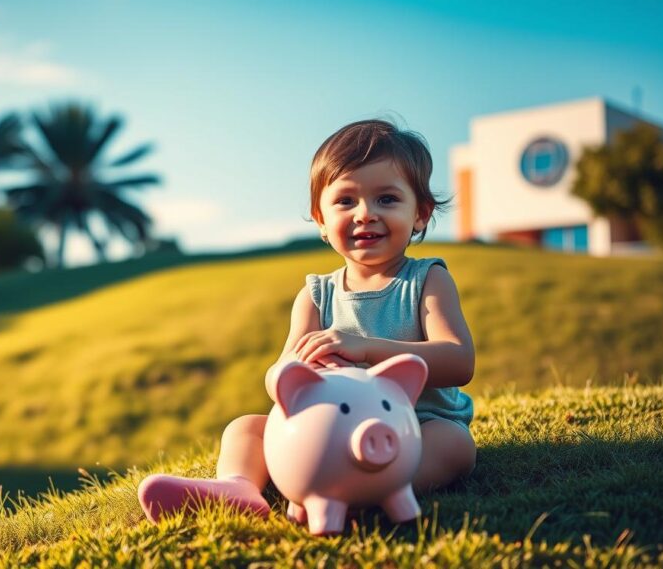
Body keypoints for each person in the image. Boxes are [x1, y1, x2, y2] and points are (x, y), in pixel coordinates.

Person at [138, 119, 476, 523]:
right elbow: (279, 374)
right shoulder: (316, 295)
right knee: (246, 428)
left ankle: (366, 488)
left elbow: (459, 361)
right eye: (346, 201)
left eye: (386, 199)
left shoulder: (426, 281)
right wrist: (307, 369)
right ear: (320, 219)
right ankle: (239, 486)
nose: (365, 214)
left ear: (419, 214)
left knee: (457, 446)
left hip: (413, 429)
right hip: (330, 432)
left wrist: (365, 348)